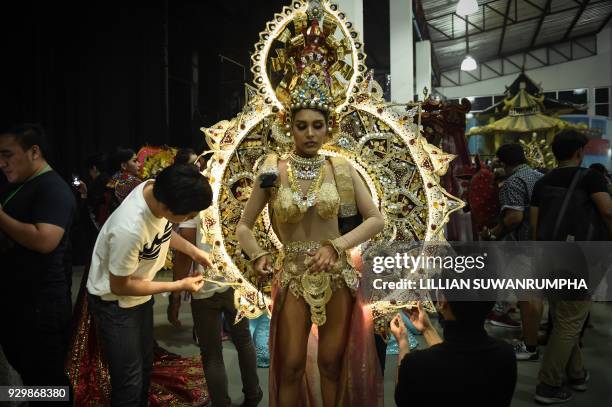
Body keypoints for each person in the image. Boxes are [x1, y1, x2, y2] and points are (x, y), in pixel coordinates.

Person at [236, 64, 385, 405]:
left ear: (329, 128)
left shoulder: (341, 169)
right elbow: (244, 226)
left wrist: (337, 245)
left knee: (331, 363)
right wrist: (258, 254)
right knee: (289, 365)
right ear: (288, 127)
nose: (309, 134)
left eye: (317, 126)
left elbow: (376, 220)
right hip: (290, 275)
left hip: (336, 274)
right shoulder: (272, 168)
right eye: (301, 126)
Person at [86, 163, 214, 406]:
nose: (189, 220)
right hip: (116, 304)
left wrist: (195, 252)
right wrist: (178, 285)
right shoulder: (130, 228)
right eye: (187, 216)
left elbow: (164, 230)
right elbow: (120, 287)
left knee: (145, 365)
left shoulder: (155, 189)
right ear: (166, 207)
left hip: (138, 296)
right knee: (129, 380)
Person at [530, 130, 612, 404]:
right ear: (579, 152)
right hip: (580, 257)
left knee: (564, 316)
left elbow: (535, 224)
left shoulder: (542, 182)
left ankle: (576, 374)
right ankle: (548, 385)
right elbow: (608, 211)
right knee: (569, 320)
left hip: (549, 254)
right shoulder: (591, 177)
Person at [0, 124, 76, 400]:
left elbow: (45, 240)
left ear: (34, 151)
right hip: (21, 303)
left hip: (40, 306)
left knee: (48, 383)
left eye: (7, 154)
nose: (1, 163)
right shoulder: (23, 185)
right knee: (32, 378)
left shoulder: (53, 188)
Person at [171, 210, 263, 406]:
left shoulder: (196, 200)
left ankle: (221, 403)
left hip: (204, 284)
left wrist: (175, 295)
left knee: (212, 353)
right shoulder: (238, 191)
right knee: (244, 341)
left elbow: (184, 252)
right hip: (236, 282)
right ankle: (254, 394)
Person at [482, 143, 544, 362]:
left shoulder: (513, 182)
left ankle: (529, 346)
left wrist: (492, 234)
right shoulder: (537, 175)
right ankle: (532, 336)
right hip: (540, 244)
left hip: (521, 246)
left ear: (502, 161)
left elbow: (513, 218)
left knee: (527, 298)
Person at [390, 299, 516, 406]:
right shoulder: (506, 355)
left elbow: (402, 399)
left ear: (443, 302)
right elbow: (457, 363)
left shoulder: (417, 364)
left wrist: (402, 343)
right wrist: (427, 330)